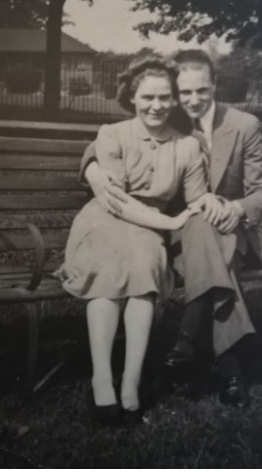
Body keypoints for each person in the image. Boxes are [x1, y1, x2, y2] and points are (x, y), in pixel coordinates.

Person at [80, 50, 262, 408]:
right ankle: (230, 361)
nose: (192, 100)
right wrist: (91, 167)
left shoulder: (244, 125)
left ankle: (198, 349)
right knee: (201, 228)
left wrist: (236, 207)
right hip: (177, 231)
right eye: (184, 93)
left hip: (229, 230)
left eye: (201, 90)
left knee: (211, 238)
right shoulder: (174, 120)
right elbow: (109, 140)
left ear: (215, 85)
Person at [55, 56, 212, 422]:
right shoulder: (113, 134)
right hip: (107, 218)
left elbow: (196, 197)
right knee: (107, 275)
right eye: (147, 98)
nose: (156, 106)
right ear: (132, 97)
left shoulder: (187, 146)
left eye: (164, 98)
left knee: (144, 273)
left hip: (148, 229)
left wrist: (207, 203)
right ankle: (101, 379)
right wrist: (169, 221)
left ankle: (131, 381)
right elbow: (116, 199)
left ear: (174, 99)